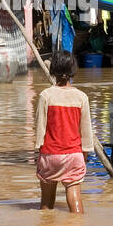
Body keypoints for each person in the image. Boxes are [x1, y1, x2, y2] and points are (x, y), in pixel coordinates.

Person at [34, 50, 94, 214]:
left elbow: (40, 127)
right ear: (73, 70)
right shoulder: (81, 97)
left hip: (50, 155)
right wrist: (85, 152)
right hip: (74, 155)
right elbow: (86, 130)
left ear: (53, 70)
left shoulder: (46, 96)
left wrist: (38, 149)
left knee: (46, 204)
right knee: (75, 201)